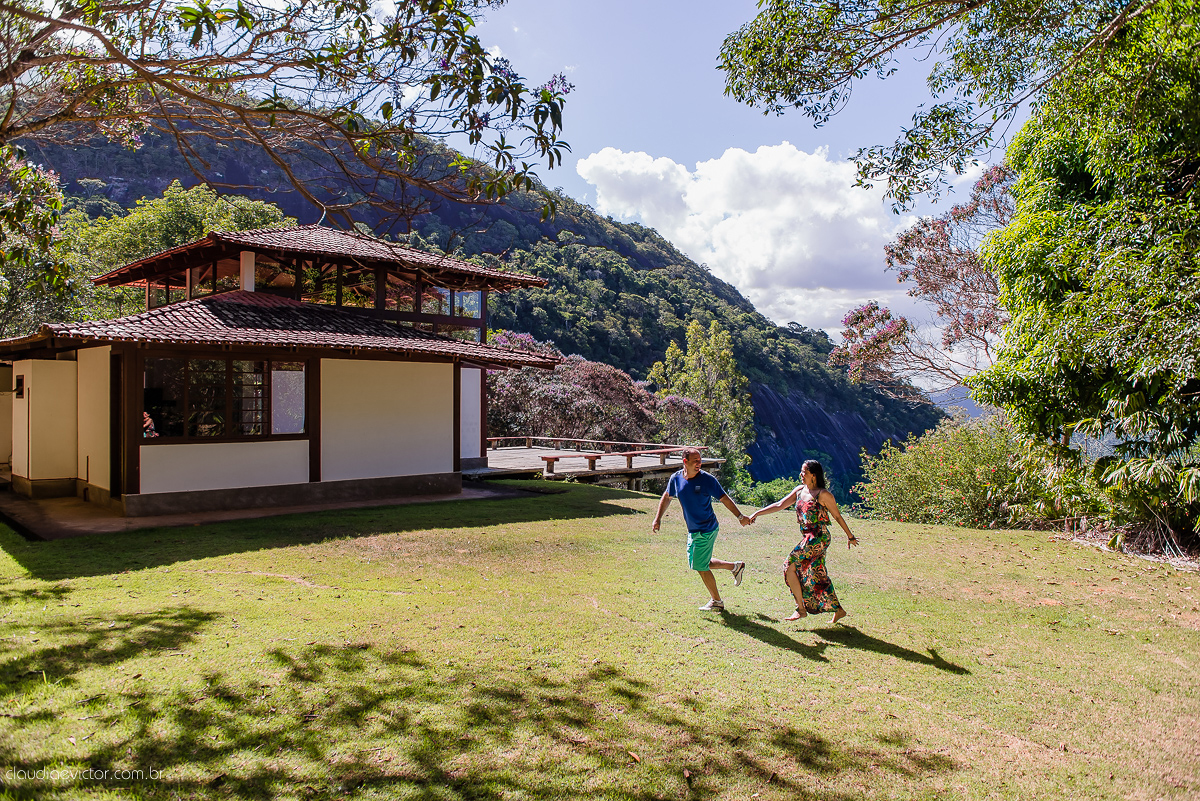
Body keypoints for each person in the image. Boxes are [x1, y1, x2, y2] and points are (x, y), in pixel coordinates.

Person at [750, 459, 857, 623]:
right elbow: (780, 504)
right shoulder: (800, 490)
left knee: (789, 565)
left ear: (813, 475)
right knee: (816, 575)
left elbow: (837, 515)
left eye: (804, 472)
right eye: (801, 471)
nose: (801, 475)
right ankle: (838, 609)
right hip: (807, 536)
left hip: (818, 537)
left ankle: (801, 609)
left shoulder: (823, 495)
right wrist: (757, 513)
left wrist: (850, 536)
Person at [651, 448, 749, 612]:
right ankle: (734, 567)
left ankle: (717, 601)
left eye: (700, 460)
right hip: (693, 529)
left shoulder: (707, 480)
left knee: (700, 565)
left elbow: (724, 498)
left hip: (707, 528)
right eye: (695, 460)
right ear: (685, 462)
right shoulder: (676, 478)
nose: (699, 463)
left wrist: (740, 517)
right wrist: (658, 518)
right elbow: (667, 496)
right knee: (701, 561)